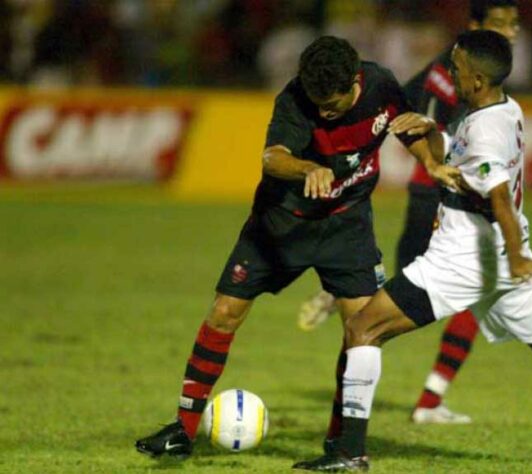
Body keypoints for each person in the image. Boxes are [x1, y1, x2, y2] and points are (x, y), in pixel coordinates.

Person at [293, 30, 532, 472]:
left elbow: (499, 195)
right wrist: (434, 131)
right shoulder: (503, 110)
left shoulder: (486, 128)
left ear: (476, 81)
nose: (451, 74)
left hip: (465, 257)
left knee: (362, 329)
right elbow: (469, 160)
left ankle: (350, 452)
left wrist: (515, 251)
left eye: (458, 69)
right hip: (504, 262)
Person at [134, 35, 461, 459]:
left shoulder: (381, 83)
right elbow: (272, 157)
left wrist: (431, 161)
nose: (324, 112)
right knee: (224, 312)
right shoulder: (294, 99)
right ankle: (183, 427)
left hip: (347, 226)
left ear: (356, 83)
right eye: (317, 102)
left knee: (361, 331)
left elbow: (406, 126)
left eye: (333, 104)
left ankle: (340, 444)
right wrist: (308, 167)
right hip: (281, 224)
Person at [297, 0, 521, 425]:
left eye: (514, 24)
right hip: (446, 196)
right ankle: (428, 400)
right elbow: (419, 118)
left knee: (412, 286)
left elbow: (402, 102)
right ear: (474, 26)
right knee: (474, 294)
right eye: (500, 24)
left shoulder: (447, 66)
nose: (510, 32)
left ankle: (351, 286)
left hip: (431, 192)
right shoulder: (466, 75)